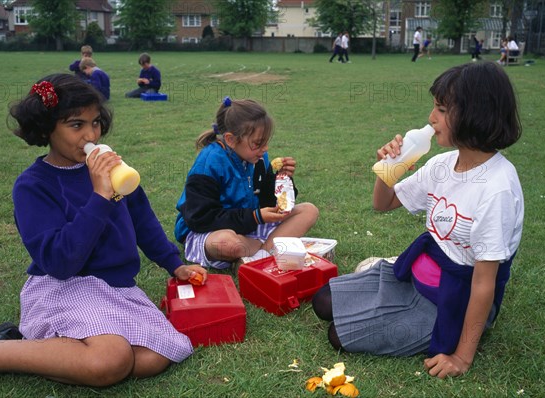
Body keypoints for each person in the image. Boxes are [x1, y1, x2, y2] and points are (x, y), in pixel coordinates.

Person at [0, 73, 207, 386]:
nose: (91, 135)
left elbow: (142, 220)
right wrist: (100, 197)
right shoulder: (33, 186)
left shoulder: (114, 171)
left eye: (95, 122)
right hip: (64, 285)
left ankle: (46, 349)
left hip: (114, 288)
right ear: (47, 128)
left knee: (154, 358)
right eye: (76, 125)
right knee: (110, 360)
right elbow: (61, 262)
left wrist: (174, 264)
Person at [312, 62, 523, 379]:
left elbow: (483, 284)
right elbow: (383, 204)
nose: (431, 118)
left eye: (441, 109)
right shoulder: (443, 164)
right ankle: (388, 296)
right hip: (418, 275)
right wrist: (389, 168)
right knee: (323, 302)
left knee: (337, 337)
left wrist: (462, 358)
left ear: (474, 113)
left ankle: (428, 321)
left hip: (454, 300)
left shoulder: (497, 189)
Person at [174, 97, 319, 269]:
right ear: (230, 139)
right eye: (258, 143)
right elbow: (200, 218)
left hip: (248, 226)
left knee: (309, 210)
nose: (265, 149)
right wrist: (255, 217)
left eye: (266, 142)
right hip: (209, 231)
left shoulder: (258, 157)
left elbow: (268, 202)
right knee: (230, 244)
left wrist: (282, 180)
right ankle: (266, 250)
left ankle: (258, 257)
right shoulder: (210, 162)